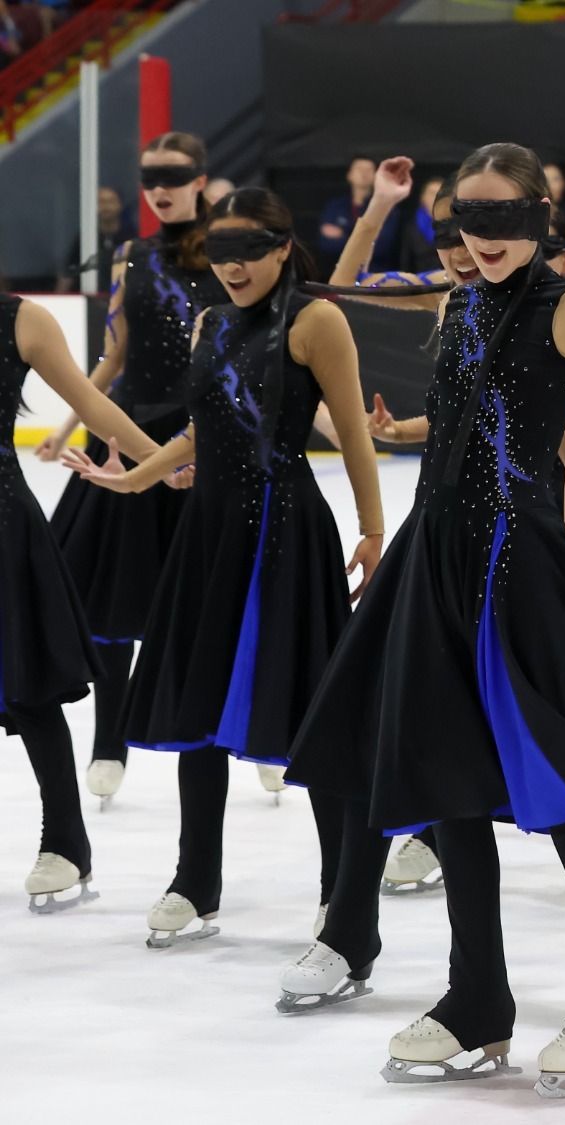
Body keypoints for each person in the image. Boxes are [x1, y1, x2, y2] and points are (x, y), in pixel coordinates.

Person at [284, 143, 565, 1098]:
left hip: (519, 565)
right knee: (450, 785)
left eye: (503, 221)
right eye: (467, 221)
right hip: (436, 561)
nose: (483, 240)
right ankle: (476, 998)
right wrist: (379, 209)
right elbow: (336, 293)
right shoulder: (459, 302)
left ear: (540, 220)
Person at [61, 188, 386, 951]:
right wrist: (133, 478)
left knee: (306, 706)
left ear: (282, 248)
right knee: (198, 705)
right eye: (220, 252)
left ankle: (338, 886)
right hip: (209, 531)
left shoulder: (317, 320)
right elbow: (200, 432)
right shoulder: (209, 320)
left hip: (286, 528)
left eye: (248, 250)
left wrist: (373, 526)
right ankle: (194, 878)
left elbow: (351, 436)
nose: (232, 267)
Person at [35, 131, 228, 808]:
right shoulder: (130, 255)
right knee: (114, 602)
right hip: (128, 430)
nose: (159, 188)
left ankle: (247, 726)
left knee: (215, 600)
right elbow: (113, 356)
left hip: (206, 439)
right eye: (150, 177)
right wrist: (62, 428)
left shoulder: (232, 248)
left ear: (201, 179)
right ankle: (108, 737)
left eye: (173, 175)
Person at [4, 291, 182, 912]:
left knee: (24, 687)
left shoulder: (22, 318)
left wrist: (156, 462)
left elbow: (91, 400)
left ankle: (65, 841)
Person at [318, 155, 400, 271]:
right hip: (339, 273)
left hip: (374, 275)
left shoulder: (386, 208)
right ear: (349, 175)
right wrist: (366, 240)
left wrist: (343, 236)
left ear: (376, 176)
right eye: (359, 169)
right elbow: (326, 245)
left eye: (368, 170)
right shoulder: (334, 207)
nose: (364, 174)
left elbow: (381, 248)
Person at [58, 186, 135, 293]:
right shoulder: (85, 238)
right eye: (101, 202)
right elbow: (69, 272)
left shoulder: (131, 238)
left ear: (120, 205)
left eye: (111, 201)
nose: (106, 207)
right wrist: (60, 299)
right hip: (88, 300)